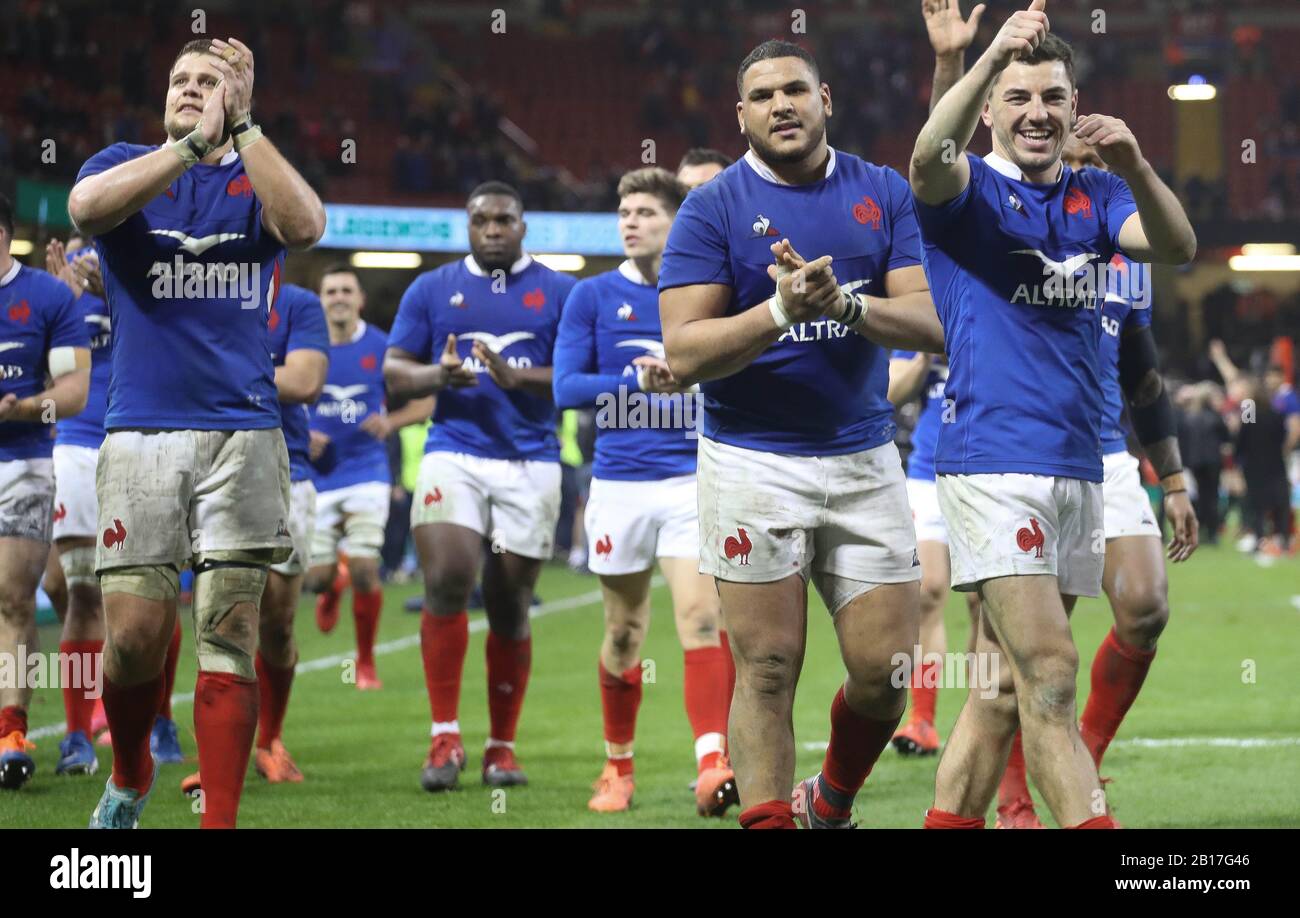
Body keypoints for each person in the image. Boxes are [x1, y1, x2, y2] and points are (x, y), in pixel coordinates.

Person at [909, 0, 1196, 829]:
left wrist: (1137, 164)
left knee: (1000, 691)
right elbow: (929, 151)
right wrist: (990, 50)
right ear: (991, 109)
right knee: (1052, 672)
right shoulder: (964, 196)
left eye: (1054, 98)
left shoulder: (1097, 195)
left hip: (1079, 465)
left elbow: (1175, 247)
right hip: (993, 462)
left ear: (1076, 107)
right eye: (1020, 97)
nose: (1038, 113)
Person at [659, 39, 945, 830]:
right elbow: (683, 352)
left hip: (862, 455)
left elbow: (933, 324)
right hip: (751, 460)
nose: (782, 104)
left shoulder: (882, 192)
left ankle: (829, 801)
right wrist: (782, 309)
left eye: (796, 89)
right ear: (741, 116)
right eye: (763, 95)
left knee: (885, 674)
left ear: (827, 100)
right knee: (769, 666)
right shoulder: (711, 207)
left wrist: (845, 305)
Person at [68, 36, 326, 827]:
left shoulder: (258, 176)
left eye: (208, 80)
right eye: (180, 79)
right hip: (140, 430)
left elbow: (307, 223)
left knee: (231, 628)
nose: (190, 88)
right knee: (137, 638)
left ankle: (220, 819)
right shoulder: (123, 162)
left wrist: (243, 133)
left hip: (244, 433)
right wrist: (187, 147)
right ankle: (132, 766)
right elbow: (86, 211)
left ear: (239, 93)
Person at [554, 167, 737, 816]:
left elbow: (738, 368)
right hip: (619, 484)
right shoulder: (593, 297)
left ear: (676, 220)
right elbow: (565, 388)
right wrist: (640, 383)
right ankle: (618, 764)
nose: (629, 221)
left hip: (690, 478)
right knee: (625, 632)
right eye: (624, 211)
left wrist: (691, 379)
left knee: (702, 618)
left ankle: (712, 762)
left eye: (645, 212)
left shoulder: (710, 291)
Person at [384, 182, 576, 791]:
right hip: (454, 452)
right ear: (467, 226)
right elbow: (394, 375)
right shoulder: (432, 289)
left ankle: (501, 748)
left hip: (531, 460)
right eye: (480, 220)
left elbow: (575, 379)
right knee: (446, 578)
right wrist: (432, 374)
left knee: (509, 603)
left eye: (504, 220)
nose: (492, 230)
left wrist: (518, 379)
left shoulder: (562, 292)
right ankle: (444, 737)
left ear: (524, 226)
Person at [180, 280, 329, 795]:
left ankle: (270, 739)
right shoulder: (196, 287)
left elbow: (306, 379)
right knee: (220, 618)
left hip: (286, 468)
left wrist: (214, 367)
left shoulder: (299, 303)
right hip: (211, 464)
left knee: (279, 625)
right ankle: (220, 756)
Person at [0, 194, 92, 790]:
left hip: (24, 462)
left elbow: (73, 393)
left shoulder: (51, 298)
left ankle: (11, 731)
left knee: (13, 598)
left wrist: (24, 407)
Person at [305, 266, 432, 691]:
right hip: (317, 476)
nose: (338, 297)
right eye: (330, 291)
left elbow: (428, 400)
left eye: (346, 290)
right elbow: (274, 394)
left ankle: (365, 662)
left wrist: (390, 421)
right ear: (320, 299)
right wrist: (301, 432)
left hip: (367, 471)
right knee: (316, 578)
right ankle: (329, 585)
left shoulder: (381, 347)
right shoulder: (305, 347)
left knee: (365, 568)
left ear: (359, 299)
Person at [885, 350, 981, 757]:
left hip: (985, 473)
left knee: (985, 601)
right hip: (927, 475)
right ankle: (922, 720)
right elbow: (890, 391)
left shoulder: (989, 309)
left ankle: (984, 717)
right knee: (927, 593)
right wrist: (926, 354)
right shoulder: (923, 312)